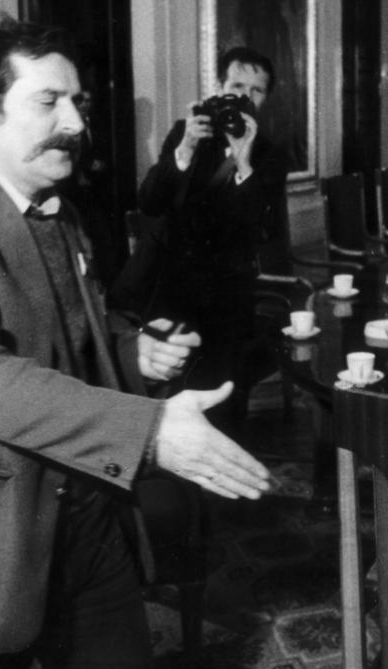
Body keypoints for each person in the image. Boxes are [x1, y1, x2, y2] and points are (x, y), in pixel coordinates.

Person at [0, 17, 271, 669]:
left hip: (87, 520)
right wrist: (150, 431)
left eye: (77, 103)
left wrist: (132, 351)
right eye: (48, 101)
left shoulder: (62, 212)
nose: (76, 123)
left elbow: (77, 337)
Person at [122, 45, 288, 428]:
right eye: (236, 86)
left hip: (228, 297)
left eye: (256, 90)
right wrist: (184, 149)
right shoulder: (187, 133)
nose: (245, 96)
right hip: (172, 290)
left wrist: (243, 161)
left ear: (265, 98)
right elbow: (149, 202)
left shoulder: (268, 153)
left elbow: (264, 230)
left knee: (225, 399)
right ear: (219, 87)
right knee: (170, 397)